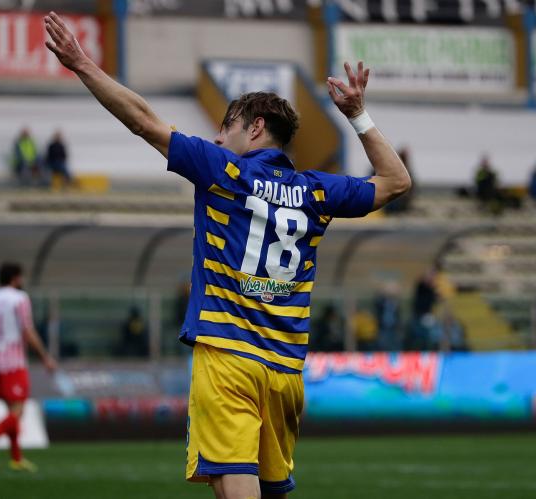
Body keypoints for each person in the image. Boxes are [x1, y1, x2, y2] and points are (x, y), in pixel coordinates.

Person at [45, 12, 410, 498]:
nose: (218, 138)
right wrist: (358, 115)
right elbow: (396, 181)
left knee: (233, 485)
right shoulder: (316, 191)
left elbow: (142, 121)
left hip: (228, 357)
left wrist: (82, 64)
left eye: (226, 127)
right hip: (285, 370)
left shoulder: (224, 170)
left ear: (255, 128)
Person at [0, 262, 57, 473]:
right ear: (16, 278)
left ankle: (16, 458)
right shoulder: (19, 299)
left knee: (13, 412)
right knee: (17, 411)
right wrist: (45, 357)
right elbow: (27, 330)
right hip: (12, 362)